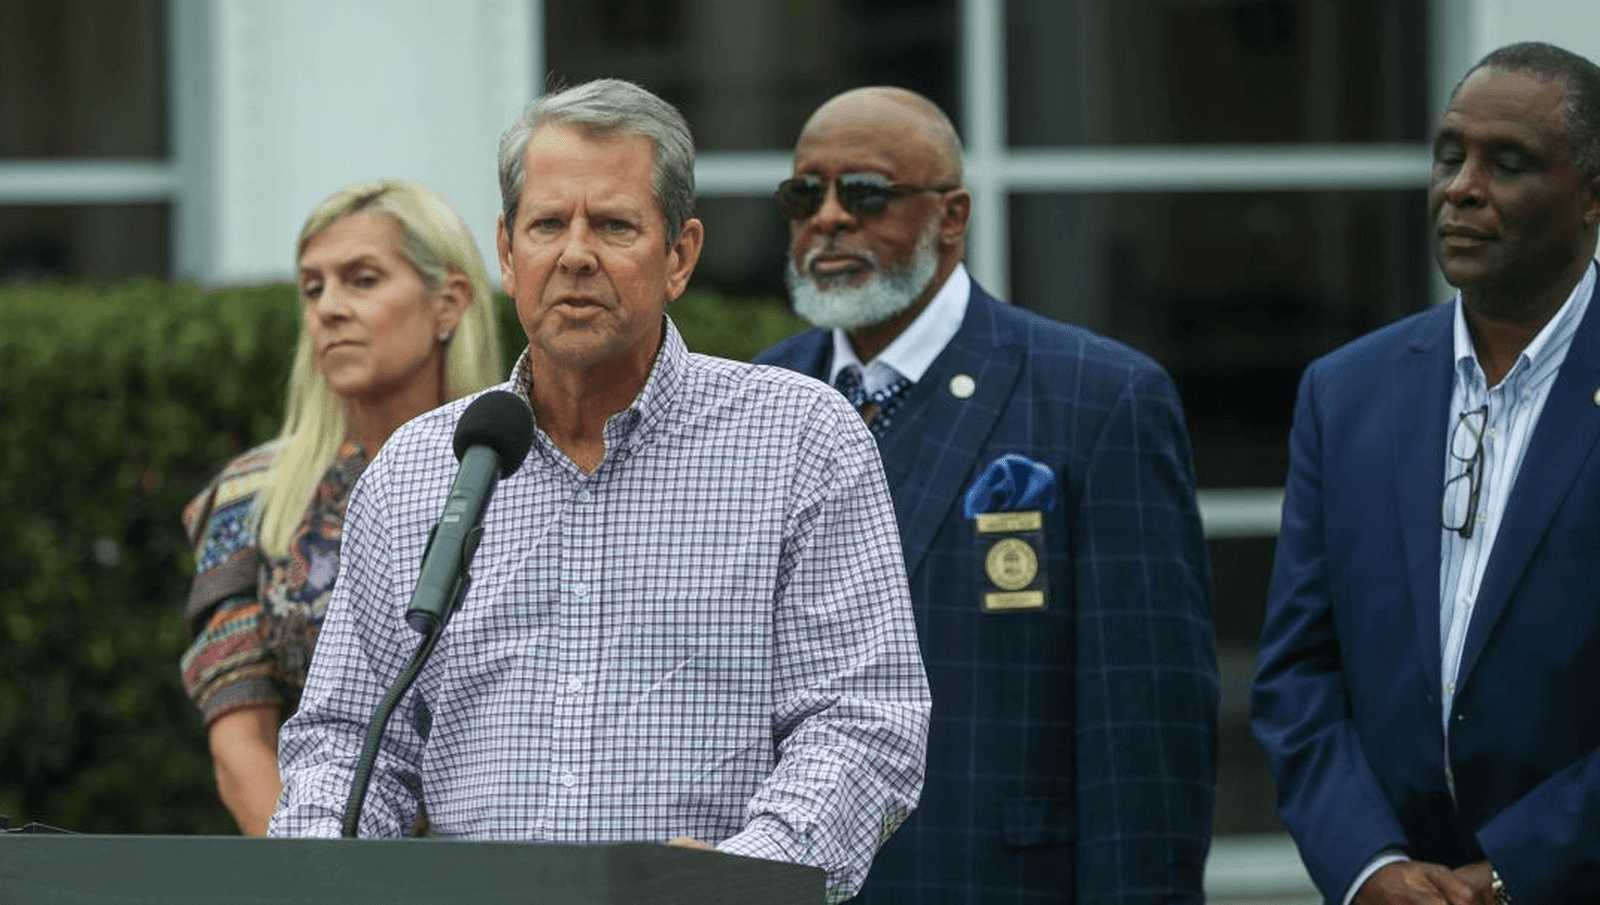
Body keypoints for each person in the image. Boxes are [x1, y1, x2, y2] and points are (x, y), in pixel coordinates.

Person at [269, 79, 930, 903]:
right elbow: (345, 740)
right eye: (548, 224)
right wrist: (320, 869)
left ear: (680, 255)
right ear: (508, 254)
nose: (575, 254)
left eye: (614, 225)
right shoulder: (417, 469)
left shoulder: (801, 439)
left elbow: (862, 721)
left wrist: (750, 873)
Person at [755, 86, 1219, 903]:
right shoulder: (757, 398)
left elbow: (1143, 732)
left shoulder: (1099, 398)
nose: (827, 217)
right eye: (805, 194)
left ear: (953, 215)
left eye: (864, 192)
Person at [1251, 41, 1600, 905]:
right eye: (1450, 155)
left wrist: (1518, 868)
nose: (1462, 187)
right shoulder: (1346, 392)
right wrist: (1369, 866)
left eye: (1507, 163)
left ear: (1593, 195)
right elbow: (1299, 672)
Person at [179, 179, 503, 835]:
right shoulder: (251, 495)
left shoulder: (528, 470)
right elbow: (240, 743)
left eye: (361, 279)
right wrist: (323, 880)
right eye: (313, 287)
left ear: (450, 303)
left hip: (508, 859)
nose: (328, 308)